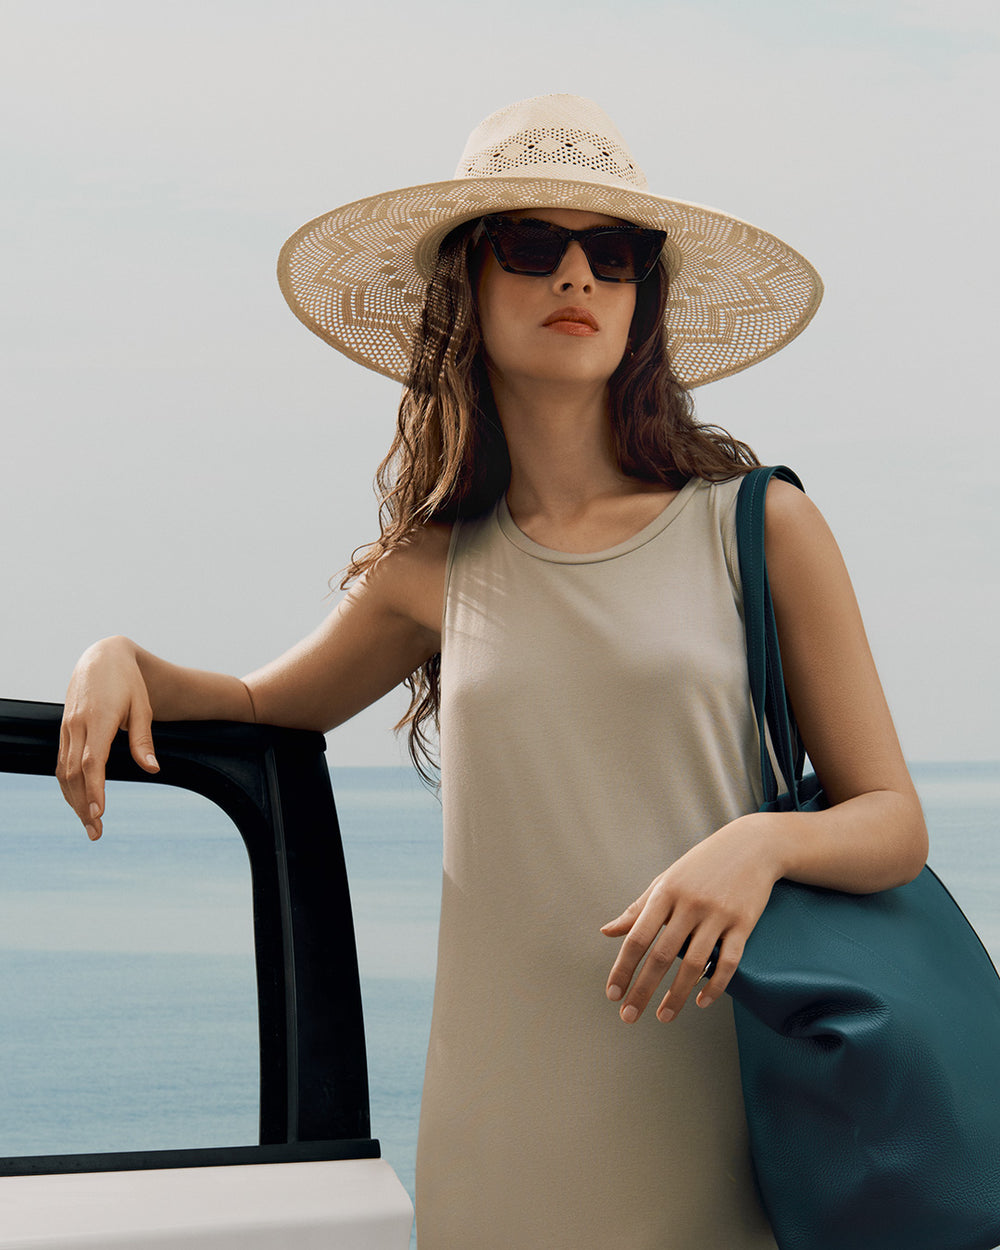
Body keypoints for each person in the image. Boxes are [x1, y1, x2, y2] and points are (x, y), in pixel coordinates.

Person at [57, 94, 928, 1248]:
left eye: (611, 253)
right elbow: (269, 703)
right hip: (498, 1130)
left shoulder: (758, 527)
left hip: (718, 1113)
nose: (575, 275)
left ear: (642, 295)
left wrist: (758, 844)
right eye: (531, 243)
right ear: (465, 281)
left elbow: (892, 819)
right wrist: (116, 657)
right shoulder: (432, 566)